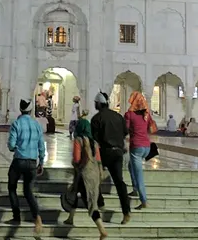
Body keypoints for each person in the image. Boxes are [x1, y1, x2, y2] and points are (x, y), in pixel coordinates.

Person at [91, 92, 131, 224]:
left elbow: (94, 141)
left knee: (95, 180)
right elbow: (125, 134)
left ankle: (100, 203)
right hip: (118, 153)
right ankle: (126, 212)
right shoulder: (118, 117)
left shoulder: (96, 118)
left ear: (98, 104)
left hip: (104, 153)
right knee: (119, 182)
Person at [63, 118, 107, 238]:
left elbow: (77, 159)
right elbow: (98, 160)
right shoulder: (94, 142)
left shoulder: (79, 140)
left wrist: (74, 163)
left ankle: (101, 229)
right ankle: (70, 218)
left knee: (91, 205)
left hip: (84, 176)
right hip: (95, 176)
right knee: (75, 192)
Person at [6, 99, 45, 233]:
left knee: (12, 187)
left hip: (19, 161)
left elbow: (11, 145)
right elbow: (41, 145)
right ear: (30, 110)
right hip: (32, 162)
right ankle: (37, 217)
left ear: (21, 109)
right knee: (28, 191)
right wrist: (42, 161)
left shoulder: (16, 123)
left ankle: (16, 216)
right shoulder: (36, 125)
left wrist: (15, 148)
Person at [125, 91, 155, 210]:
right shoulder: (146, 115)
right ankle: (135, 189)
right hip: (147, 147)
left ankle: (144, 201)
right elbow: (152, 129)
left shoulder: (129, 114)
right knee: (130, 165)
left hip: (136, 147)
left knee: (139, 175)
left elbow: (125, 129)